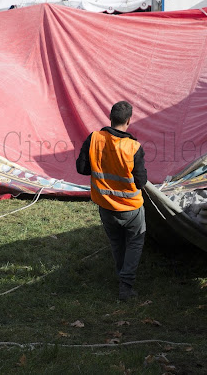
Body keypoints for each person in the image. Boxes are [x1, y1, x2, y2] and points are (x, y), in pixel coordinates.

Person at [76, 101, 148, 301]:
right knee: (134, 242)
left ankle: (121, 275)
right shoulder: (134, 147)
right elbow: (141, 181)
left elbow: (81, 168)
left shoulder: (94, 139)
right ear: (128, 121)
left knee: (117, 242)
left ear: (110, 117)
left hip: (106, 205)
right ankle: (126, 284)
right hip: (131, 207)